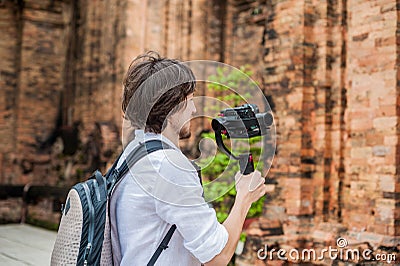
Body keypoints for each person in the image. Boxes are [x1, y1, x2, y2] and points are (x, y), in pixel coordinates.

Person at [110, 51, 268, 265]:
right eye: (190, 100)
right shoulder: (167, 167)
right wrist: (244, 197)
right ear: (171, 106)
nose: (194, 110)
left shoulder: (134, 151)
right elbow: (217, 257)